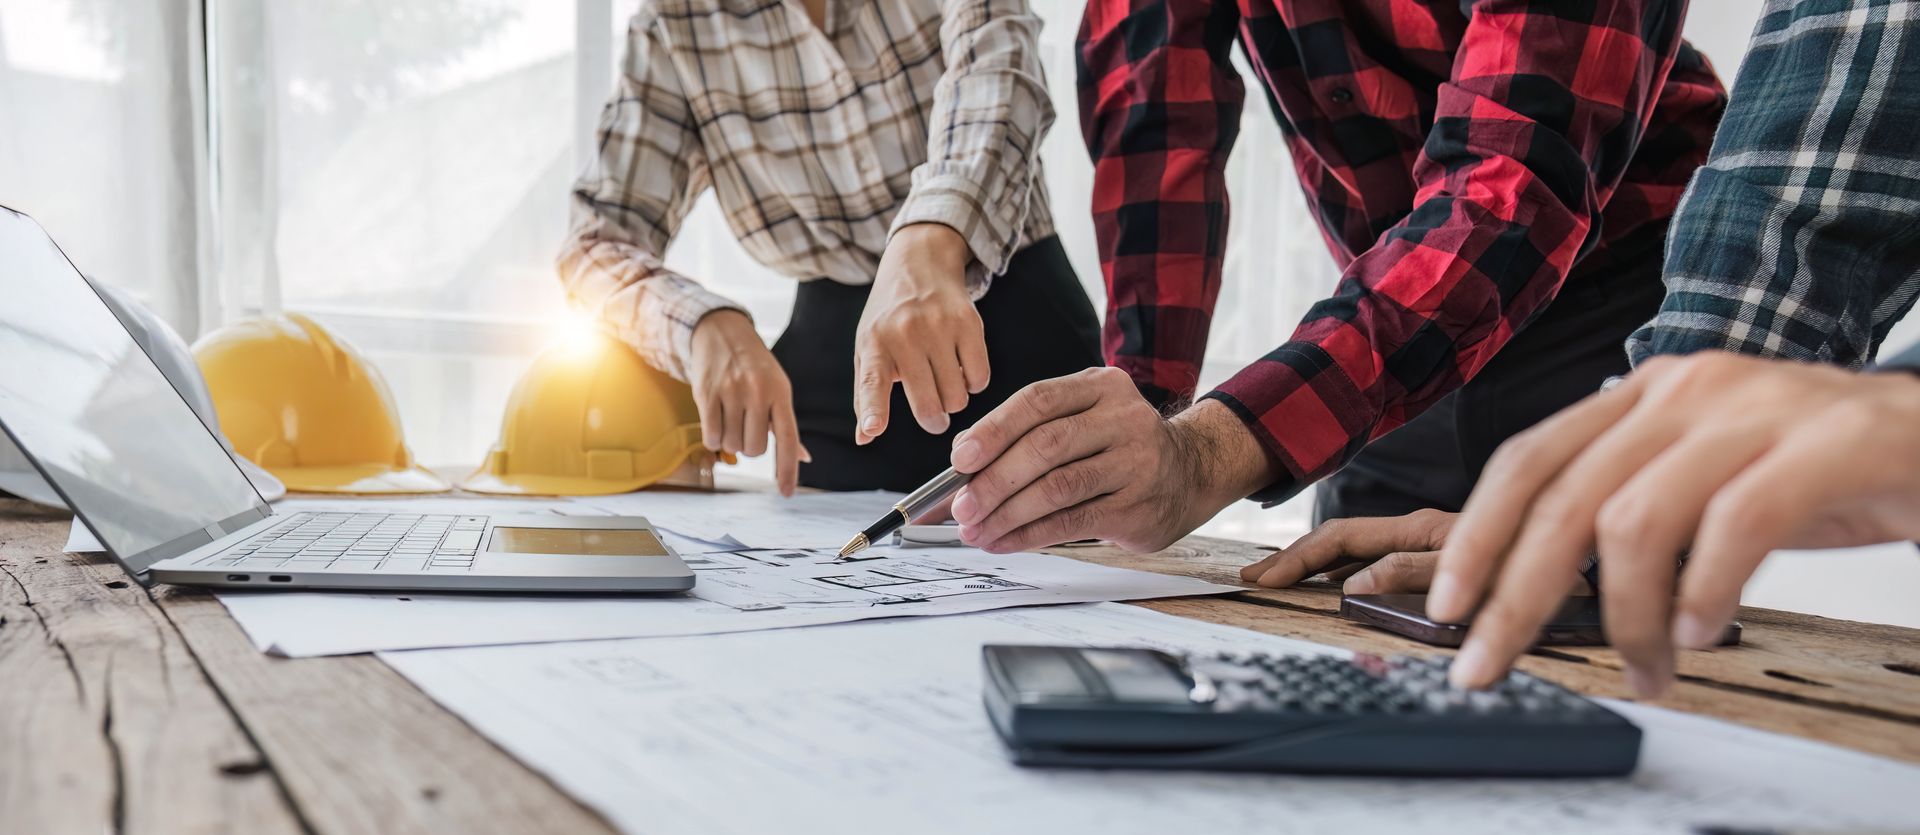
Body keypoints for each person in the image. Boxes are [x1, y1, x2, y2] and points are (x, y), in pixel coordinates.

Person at [1242, 0, 1920, 695]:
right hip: (1408, 311)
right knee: (1359, 614)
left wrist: (1226, 438)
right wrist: (1178, 428)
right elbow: (1812, 174)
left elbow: (1512, 175)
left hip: (1614, 285)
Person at [945, 0, 1726, 550]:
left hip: (1622, 304)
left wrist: (1204, 456)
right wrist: (1132, 434)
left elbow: (1508, 190)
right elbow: (1157, 116)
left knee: (1605, 654)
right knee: (1345, 636)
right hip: (1403, 312)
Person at [559, 0, 1101, 496]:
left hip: (1026, 349)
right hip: (838, 404)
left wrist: (932, 236)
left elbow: (1000, 66)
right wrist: (700, 325)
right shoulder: (672, 22)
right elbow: (594, 246)